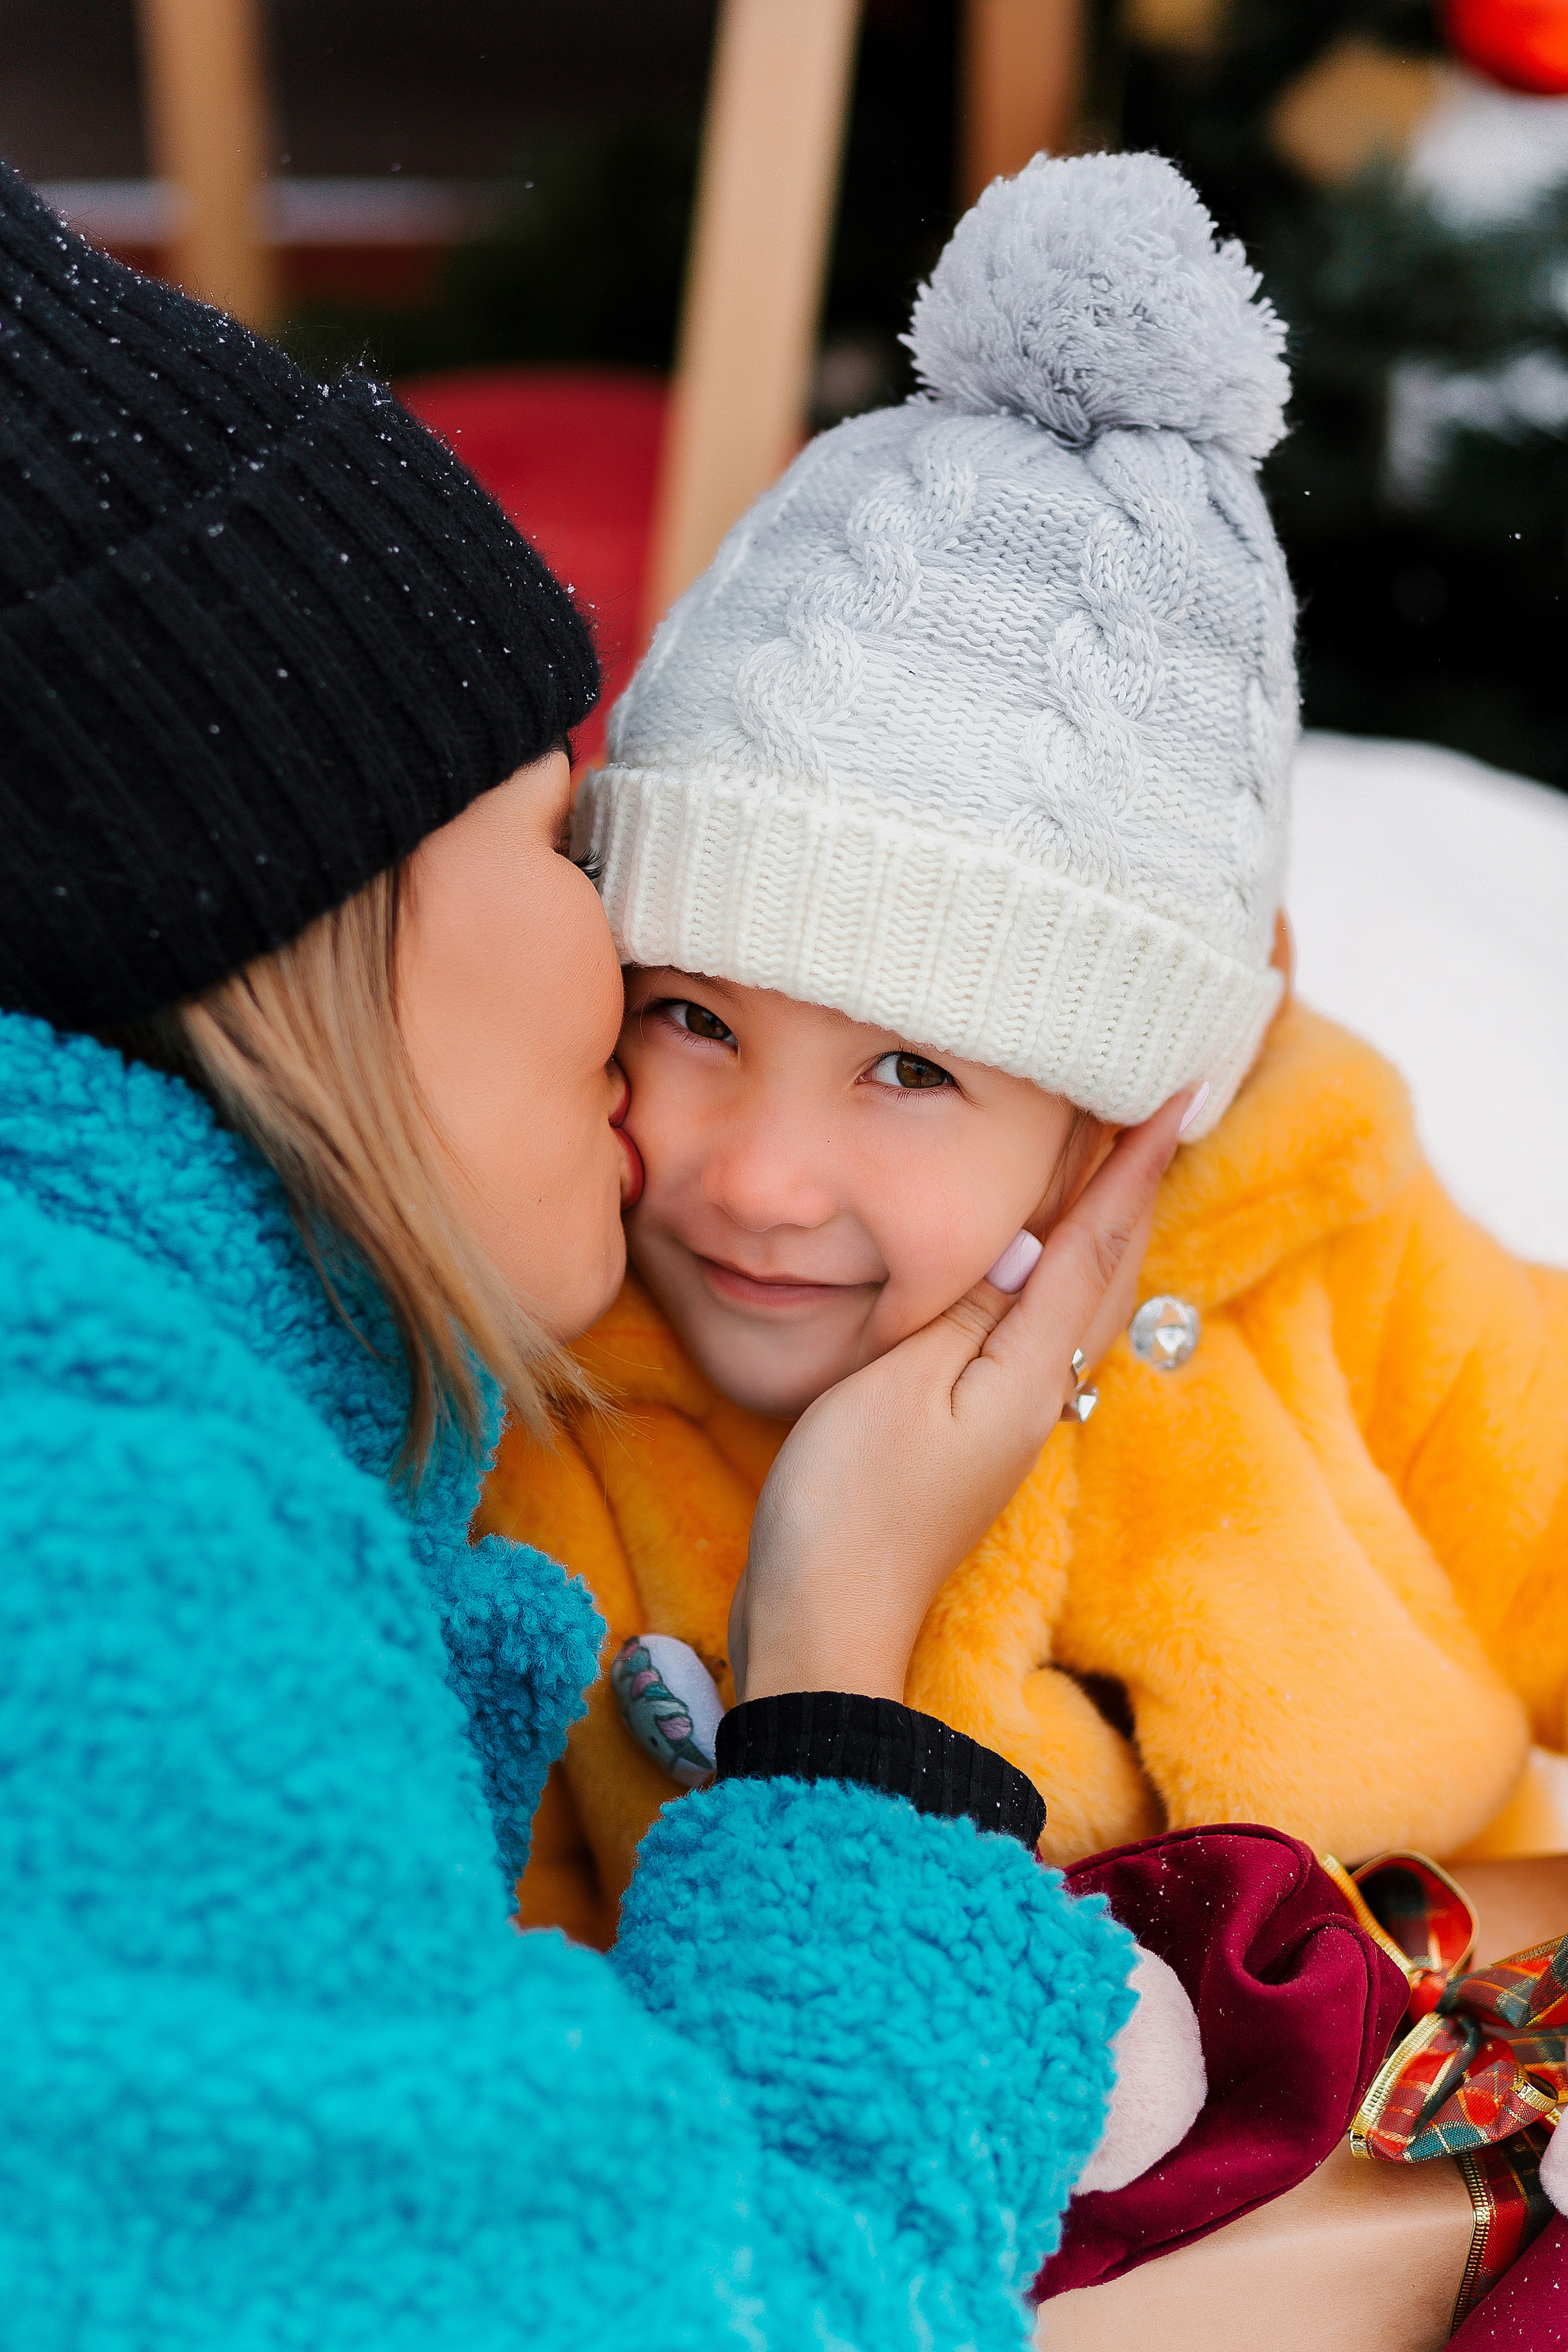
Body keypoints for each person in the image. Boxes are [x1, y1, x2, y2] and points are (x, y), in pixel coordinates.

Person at [0, 159, 1208, 2346]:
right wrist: (842, 1688)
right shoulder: (96, 1539)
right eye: (561, 838)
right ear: (291, 907)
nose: (618, 936)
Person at [480, 151, 1568, 1946]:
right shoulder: (549, 1423)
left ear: (1141, 1104)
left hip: (1457, 2137)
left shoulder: (1334, 1259)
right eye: (692, 1017)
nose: (757, 1173)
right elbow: (525, 2030)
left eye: (911, 1069)